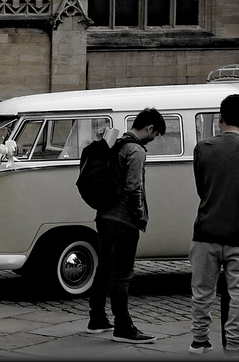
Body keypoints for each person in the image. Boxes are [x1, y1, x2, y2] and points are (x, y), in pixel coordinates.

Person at [188, 93, 239, 355]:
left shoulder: (203, 148)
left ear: (220, 116)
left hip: (206, 229)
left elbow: (202, 188)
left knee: (202, 293)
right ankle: (234, 344)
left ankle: (199, 341)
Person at [87, 108, 165, 344]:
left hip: (104, 217)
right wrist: (139, 217)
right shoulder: (135, 150)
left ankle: (97, 319)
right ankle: (123, 326)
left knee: (104, 269)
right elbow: (134, 188)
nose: (153, 139)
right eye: (155, 134)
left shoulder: (116, 144)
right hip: (124, 221)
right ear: (149, 128)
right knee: (122, 274)